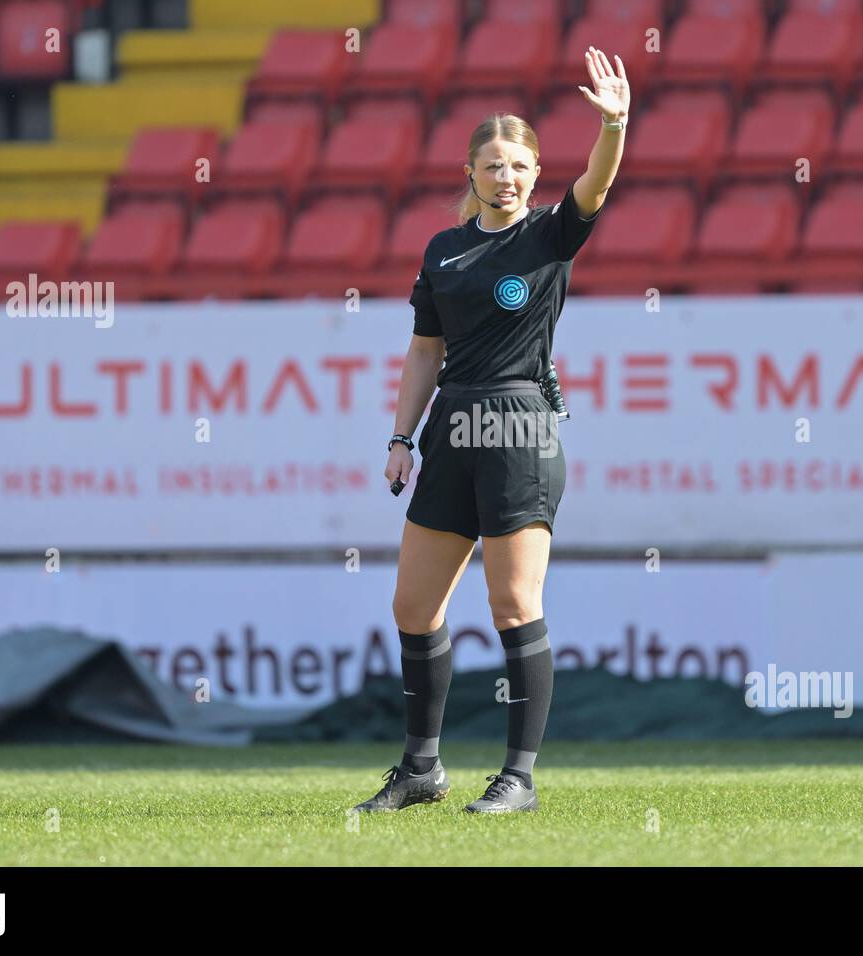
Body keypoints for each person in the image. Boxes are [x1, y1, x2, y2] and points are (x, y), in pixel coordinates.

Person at [354, 47, 630, 815]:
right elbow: (423, 351)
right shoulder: (442, 251)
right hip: (451, 427)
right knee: (414, 607)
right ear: (470, 174)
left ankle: (520, 778)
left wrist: (614, 124)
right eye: (491, 165)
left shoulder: (548, 237)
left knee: (514, 605)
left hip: (519, 430)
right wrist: (400, 438)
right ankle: (421, 769)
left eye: (517, 165)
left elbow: (600, 182)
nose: (504, 177)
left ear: (536, 175)